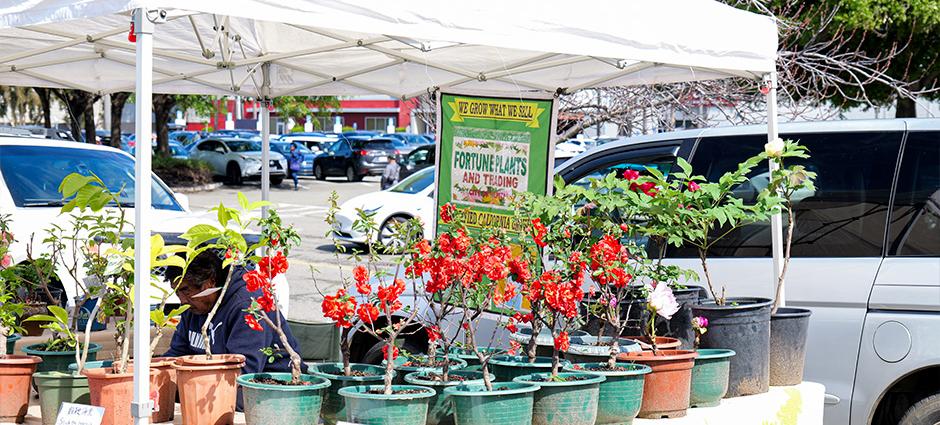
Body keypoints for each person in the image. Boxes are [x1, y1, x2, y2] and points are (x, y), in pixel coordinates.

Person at [162, 249, 305, 409]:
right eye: (177, 292)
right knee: (166, 390)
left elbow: (244, 370)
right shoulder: (193, 307)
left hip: (269, 387)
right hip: (218, 382)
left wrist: (191, 384)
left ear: (210, 282)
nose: (182, 300)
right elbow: (177, 353)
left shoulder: (246, 305)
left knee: (204, 399)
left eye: (186, 290)